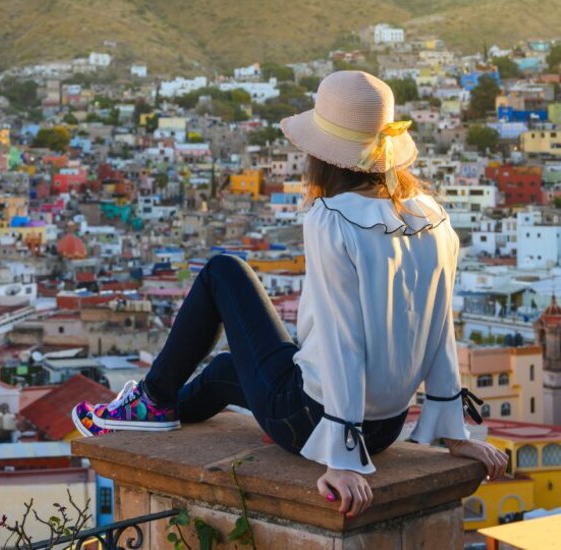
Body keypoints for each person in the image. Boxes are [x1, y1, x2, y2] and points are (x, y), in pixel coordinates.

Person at [71, 71, 507, 518]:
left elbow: (341, 339)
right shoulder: (433, 218)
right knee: (226, 369)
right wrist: (455, 433)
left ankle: (151, 400)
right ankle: (154, 413)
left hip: (317, 422)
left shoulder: (332, 218)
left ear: (322, 153)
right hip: (385, 428)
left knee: (224, 271)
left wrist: (341, 456)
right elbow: (439, 329)